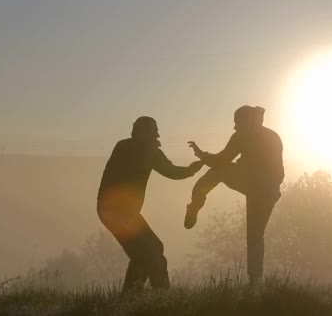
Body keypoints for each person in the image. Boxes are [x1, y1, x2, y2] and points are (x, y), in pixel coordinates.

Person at [97, 116, 203, 293]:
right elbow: (150, 165)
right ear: (143, 132)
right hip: (114, 211)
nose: (157, 135)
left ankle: (131, 296)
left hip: (124, 212)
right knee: (151, 252)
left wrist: (191, 170)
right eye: (154, 131)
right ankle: (162, 295)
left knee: (147, 253)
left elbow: (170, 170)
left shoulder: (141, 149)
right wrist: (153, 152)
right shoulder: (125, 147)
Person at [185, 105, 284, 285]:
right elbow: (279, 173)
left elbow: (222, 160)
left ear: (248, 121)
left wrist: (201, 155)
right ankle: (255, 282)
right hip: (266, 191)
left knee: (217, 172)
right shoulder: (271, 136)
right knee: (255, 235)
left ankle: (195, 204)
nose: (235, 127)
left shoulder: (243, 136)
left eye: (237, 123)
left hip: (259, 187)